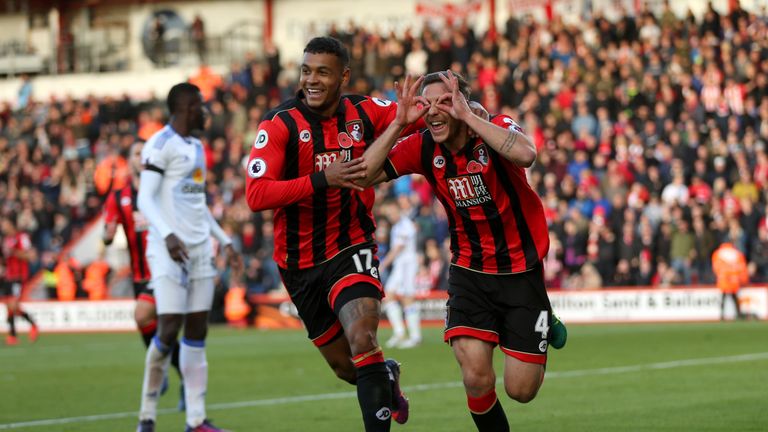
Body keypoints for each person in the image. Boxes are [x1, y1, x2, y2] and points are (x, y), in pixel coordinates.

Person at [357, 71, 567, 432]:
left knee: (521, 390)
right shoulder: (423, 146)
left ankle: (544, 313)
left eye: (443, 102)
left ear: (462, 104)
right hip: (469, 271)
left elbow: (527, 153)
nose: (433, 112)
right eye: (426, 105)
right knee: (476, 378)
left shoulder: (494, 126)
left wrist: (470, 117)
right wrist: (397, 125)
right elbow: (363, 174)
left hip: (521, 273)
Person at [244, 36, 429, 431]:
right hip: (298, 263)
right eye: (306, 70)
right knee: (350, 369)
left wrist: (420, 110)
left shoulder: (363, 111)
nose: (312, 80)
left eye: (322, 72)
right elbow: (256, 194)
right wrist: (322, 179)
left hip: (351, 244)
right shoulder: (280, 124)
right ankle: (387, 375)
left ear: (343, 76)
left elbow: (411, 115)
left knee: (363, 337)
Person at [136, 82, 241, 432]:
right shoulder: (160, 145)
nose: (205, 112)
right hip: (168, 250)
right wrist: (167, 235)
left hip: (199, 251)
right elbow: (145, 199)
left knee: (197, 332)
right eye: (200, 106)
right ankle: (147, 415)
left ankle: (196, 420)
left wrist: (224, 240)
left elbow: (197, 204)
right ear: (184, 109)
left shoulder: (196, 147)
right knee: (167, 330)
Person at [102, 141, 184, 410]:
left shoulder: (163, 192)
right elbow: (108, 231)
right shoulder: (118, 197)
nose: (142, 157)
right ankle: (179, 374)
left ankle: (158, 368)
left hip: (165, 270)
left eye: (144, 152)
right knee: (161, 330)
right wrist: (107, 234)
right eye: (136, 153)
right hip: (139, 276)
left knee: (142, 316)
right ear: (130, 161)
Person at [379, 199, 422, 349]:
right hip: (399, 265)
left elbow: (398, 248)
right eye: (389, 214)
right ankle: (399, 333)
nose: (390, 216)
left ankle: (415, 336)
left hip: (407, 264)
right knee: (389, 295)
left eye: (392, 213)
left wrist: (383, 264)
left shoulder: (405, 225)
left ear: (398, 211)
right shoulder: (398, 226)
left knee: (407, 298)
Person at [1, 218, 39, 346]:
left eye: (5, 224)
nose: (3, 228)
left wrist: (14, 252)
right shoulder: (6, 240)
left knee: (12, 304)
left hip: (19, 276)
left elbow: (30, 256)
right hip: (8, 276)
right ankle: (13, 334)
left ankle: (31, 325)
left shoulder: (21, 237)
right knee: (9, 306)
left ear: (12, 225)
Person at [711, 242, 748, 320]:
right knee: (733, 297)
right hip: (734, 279)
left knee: (724, 297)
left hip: (723, 279)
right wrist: (742, 279)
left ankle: (722, 315)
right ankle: (738, 314)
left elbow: (715, 267)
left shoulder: (718, 254)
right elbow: (741, 267)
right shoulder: (737, 253)